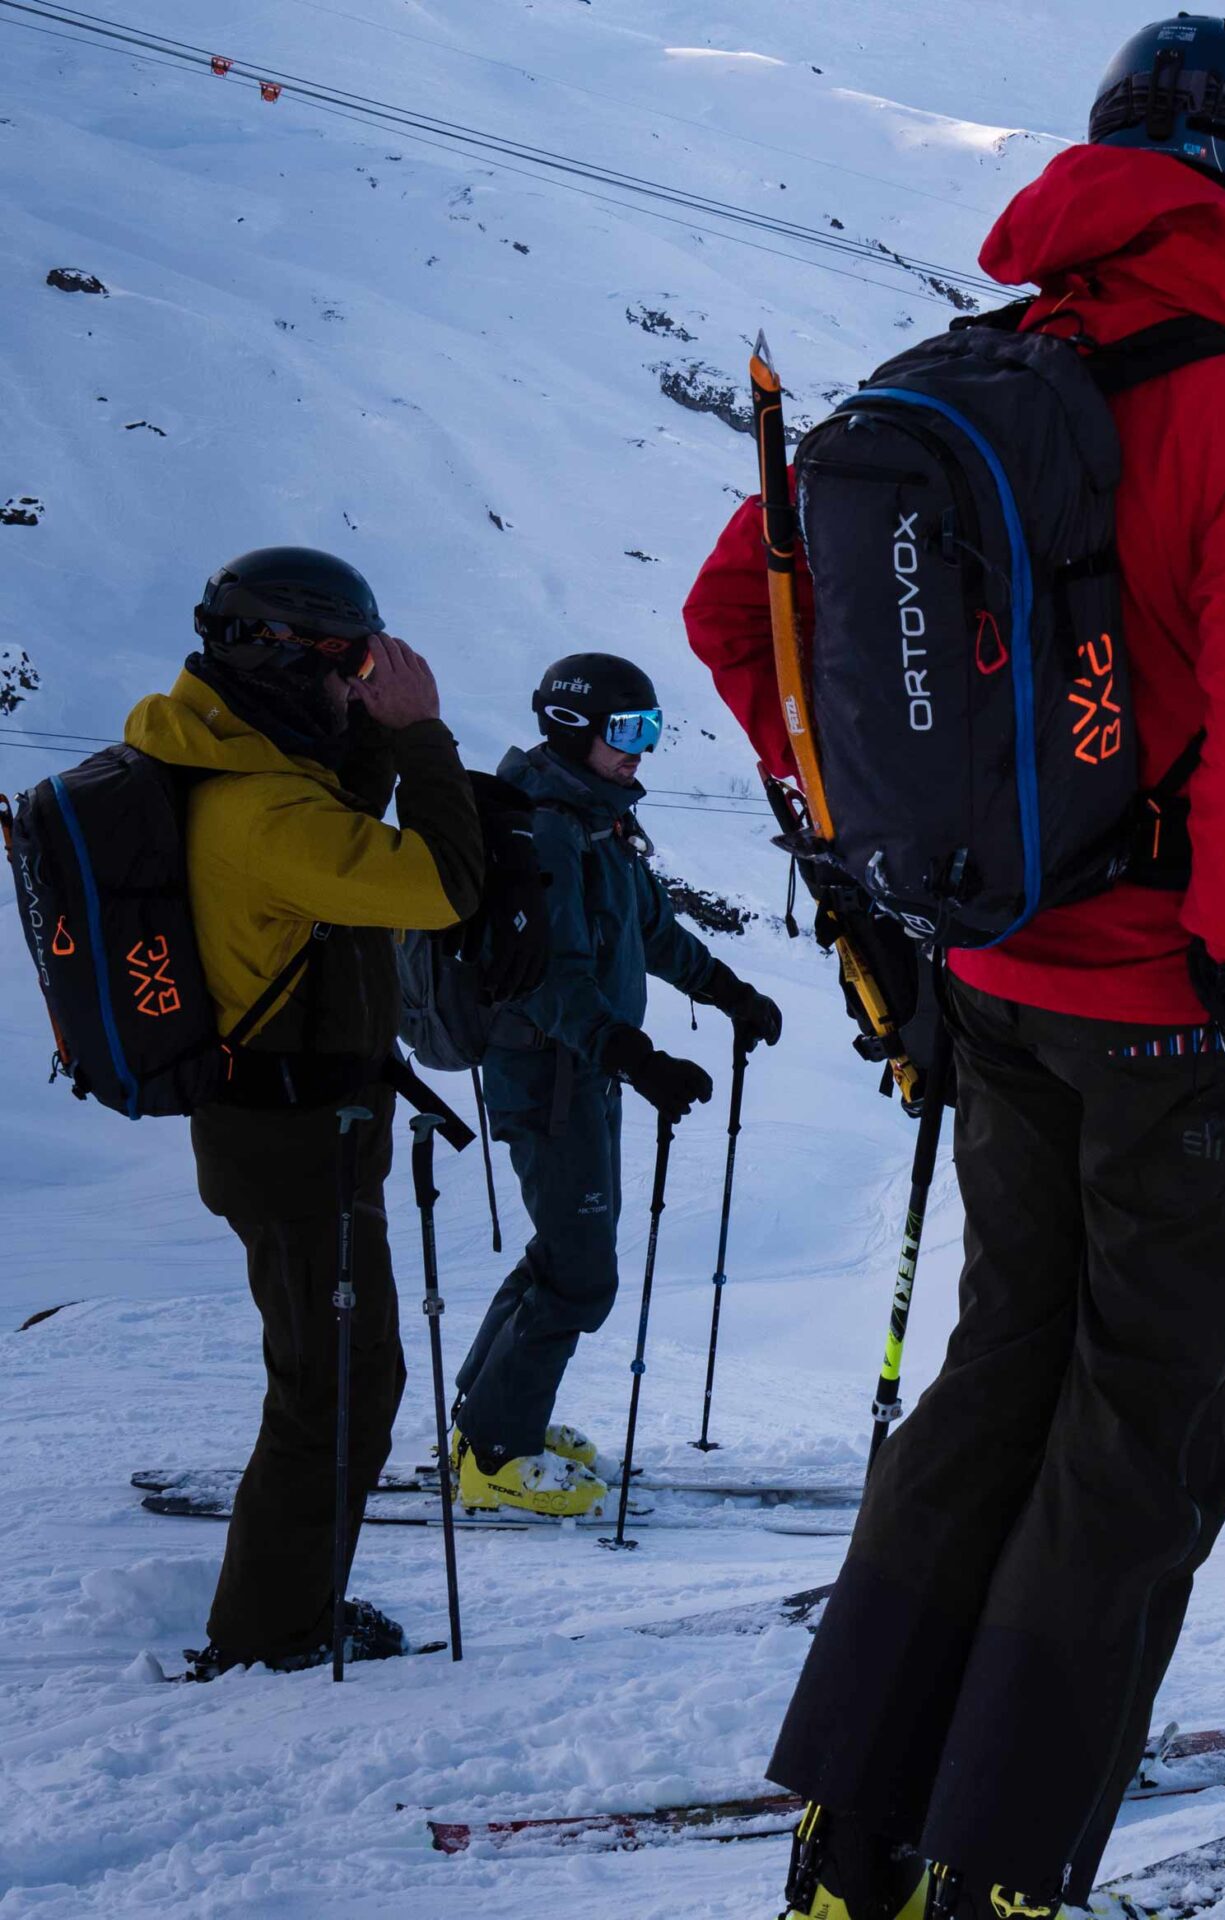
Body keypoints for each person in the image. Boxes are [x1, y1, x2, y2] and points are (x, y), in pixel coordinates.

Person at [684, 18, 1225, 1918]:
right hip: (1170, 1021)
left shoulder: (950, 372)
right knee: (1140, 1446)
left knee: (992, 1389)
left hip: (994, 993)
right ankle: (998, 1880)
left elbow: (741, 612)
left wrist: (891, 851)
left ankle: (850, 1850)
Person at [131, 546, 483, 1675]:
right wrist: (421, 735)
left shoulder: (240, 764)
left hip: (289, 1133)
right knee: (336, 1389)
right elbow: (439, 886)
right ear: (279, 660)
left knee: (333, 1379)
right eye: (343, 664)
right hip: (291, 1146)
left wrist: (374, 731)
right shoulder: (261, 812)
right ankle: (269, 1634)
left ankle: (280, 1610)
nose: (353, 683)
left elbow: (335, 812)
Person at [448, 653, 782, 1517]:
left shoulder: (599, 821)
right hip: (548, 1074)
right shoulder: (553, 828)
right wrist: (634, 1057)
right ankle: (494, 1457)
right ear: (572, 728)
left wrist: (730, 995)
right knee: (581, 1274)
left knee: (561, 1256)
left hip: (583, 1072)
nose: (642, 750)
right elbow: (550, 980)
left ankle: (485, 1426)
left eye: (651, 731)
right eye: (626, 732)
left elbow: (654, 934)